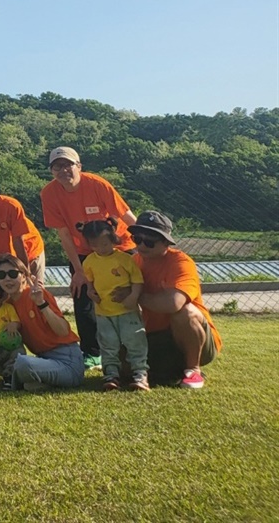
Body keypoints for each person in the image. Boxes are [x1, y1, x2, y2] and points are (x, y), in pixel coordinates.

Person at [39, 146, 137, 370]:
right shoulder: (49, 193)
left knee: (132, 291)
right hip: (83, 250)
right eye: (57, 166)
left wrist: (147, 242)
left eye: (68, 164)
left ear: (79, 166)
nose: (63, 170)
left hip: (119, 245)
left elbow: (125, 215)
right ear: (52, 171)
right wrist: (79, 271)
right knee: (82, 294)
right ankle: (92, 353)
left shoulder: (97, 184)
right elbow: (64, 234)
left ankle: (140, 342)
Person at [129, 211, 222, 389]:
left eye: (149, 241)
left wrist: (134, 295)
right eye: (137, 239)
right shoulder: (133, 262)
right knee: (123, 369)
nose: (142, 245)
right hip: (153, 335)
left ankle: (193, 370)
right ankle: (161, 370)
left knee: (185, 312)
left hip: (193, 338)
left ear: (166, 242)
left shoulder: (181, 262)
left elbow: (174, 303)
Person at [0, 255, 85, 391]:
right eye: (1, 275)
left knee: (22, 363)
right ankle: (39, 382)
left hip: (67, 361)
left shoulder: (37, 295)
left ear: (24, 276)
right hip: (43, 359)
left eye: (13, 274)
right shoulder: (7, 306)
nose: (7, 278)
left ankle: (21, 380)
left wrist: (41, 304)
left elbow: (63, 331)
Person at [80, 219, 149, 391]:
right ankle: (111, 375)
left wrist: (133, 297)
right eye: (95, 245)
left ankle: (140, 374)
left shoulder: (125, 259)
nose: (101, 248)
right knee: (107, 343)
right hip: (103, 312)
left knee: (134, 340)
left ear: (113, 239)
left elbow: (137, 281)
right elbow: (90, 282)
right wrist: (90, 292)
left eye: (105, 243)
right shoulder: (89, 261)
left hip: (127, 310)